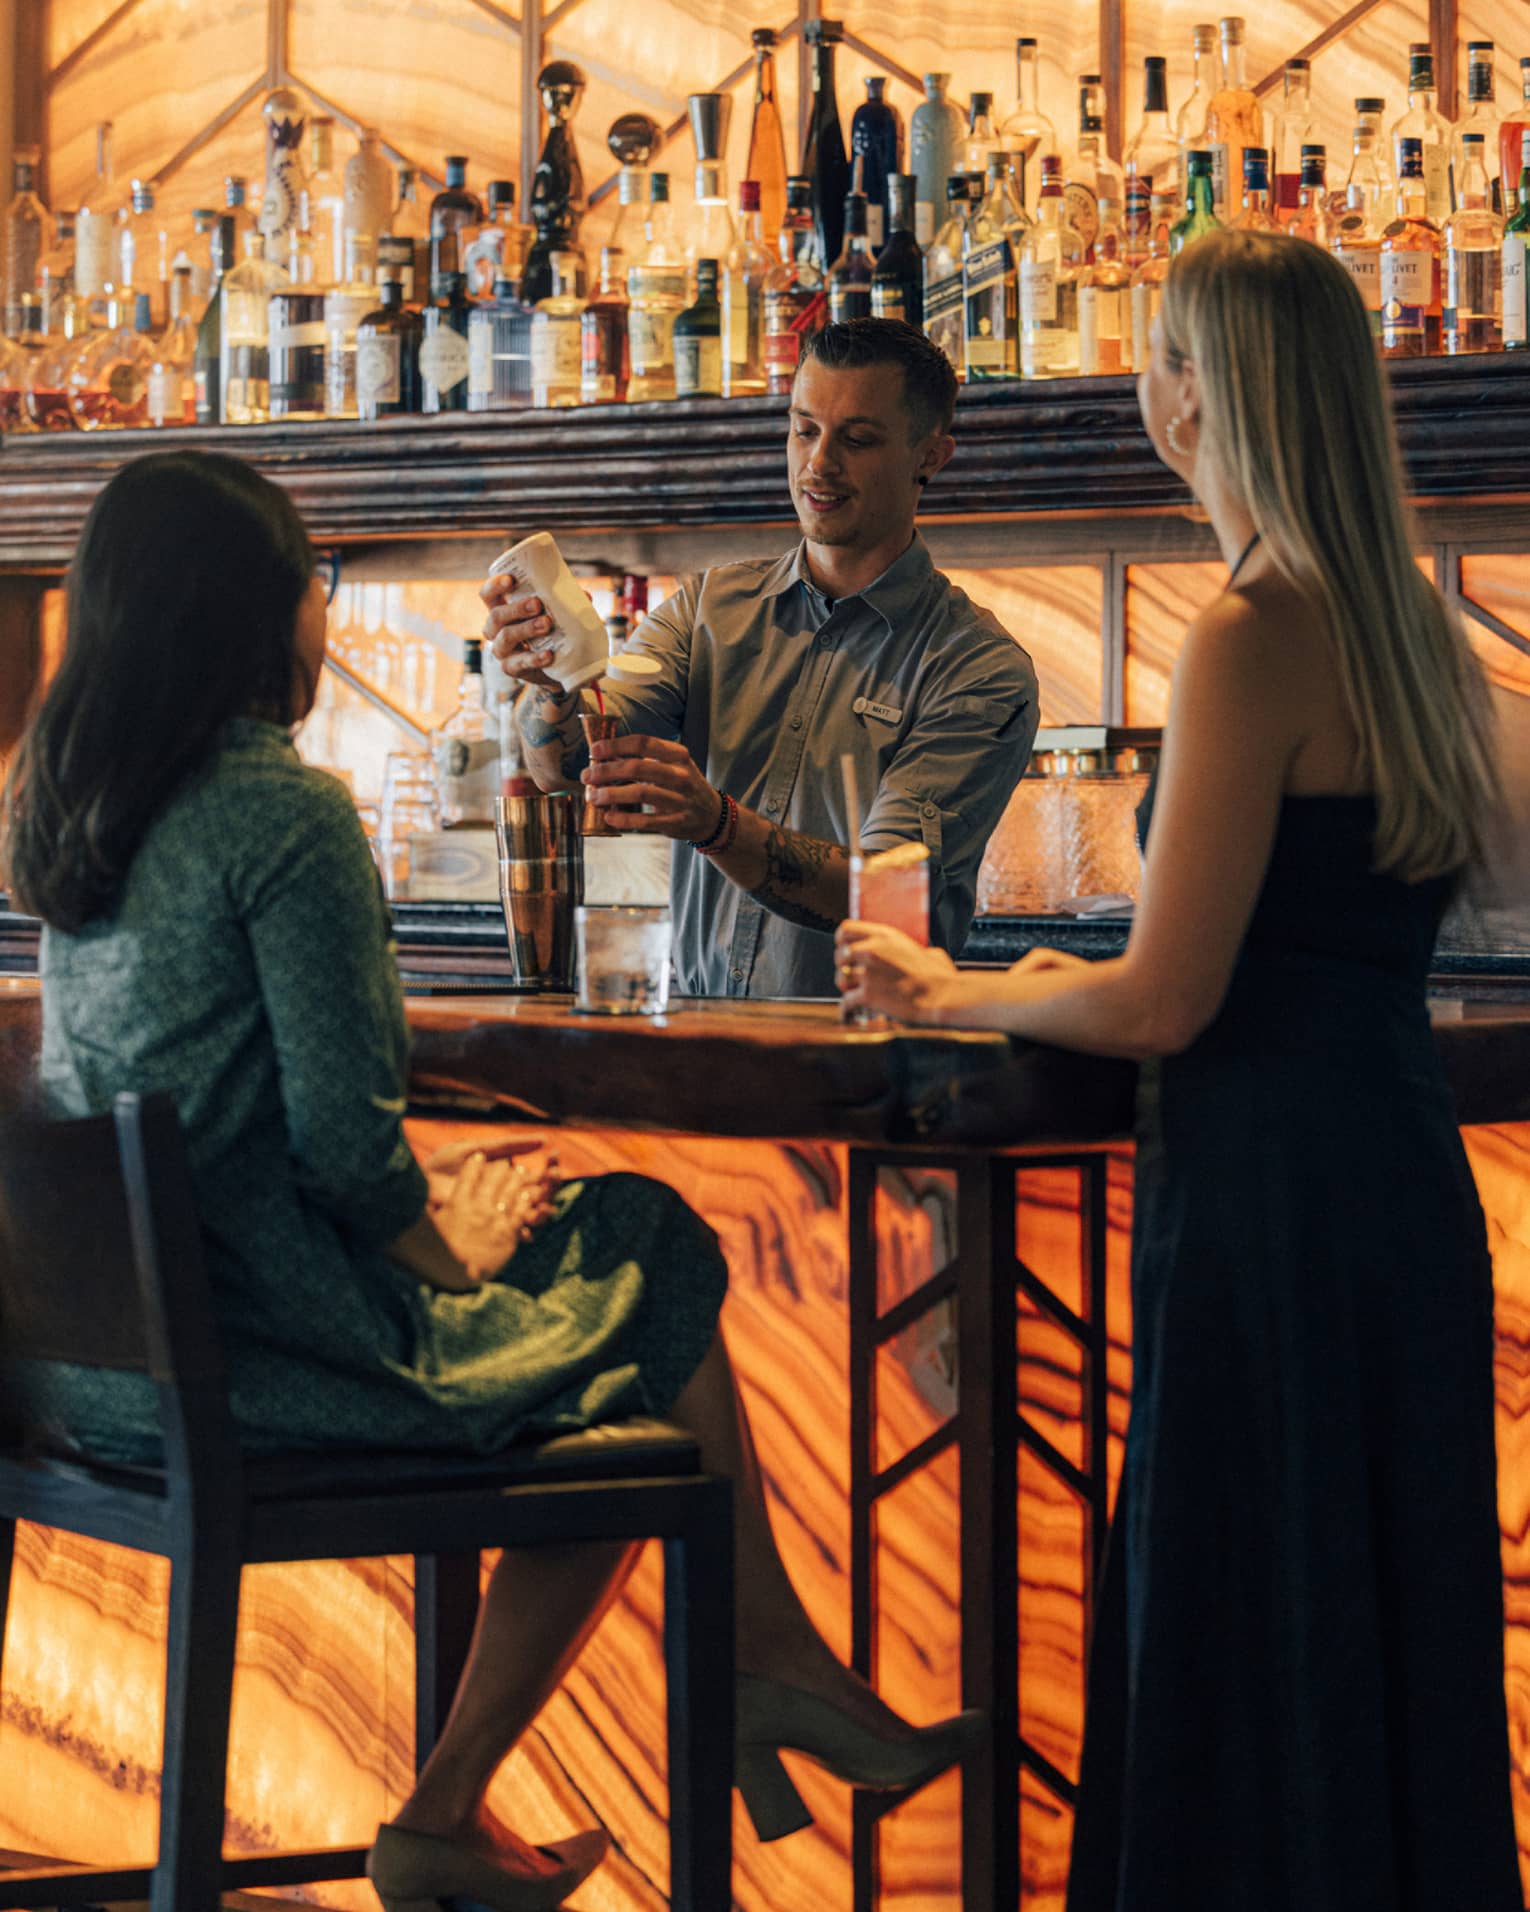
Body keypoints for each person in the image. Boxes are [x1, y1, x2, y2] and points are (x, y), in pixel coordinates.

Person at [2, 450, 980, 1912]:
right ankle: (641, 1722)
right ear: (263, 615)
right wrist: (448, 1245)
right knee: (649, 1271)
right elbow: (345, 1148)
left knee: (624, 1275)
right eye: (311, 586)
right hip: (269, 1358)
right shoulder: (282, 815)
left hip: (89, 1386)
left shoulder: (74, 815)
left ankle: (617, 1740)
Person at [838, 231, 1521, 1909]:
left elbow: (1165, 996)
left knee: (1241, 1627)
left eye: (1160, 351)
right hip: (1403, 1187)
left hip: (1269, 1206)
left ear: (1195, 394)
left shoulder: (1248, 630)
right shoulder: (1426, 638)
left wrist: (961, 986)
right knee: (1384, 1632)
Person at [482, 318, 1039, 998]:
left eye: (857, 439)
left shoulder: (976, 666)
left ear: (930, 455)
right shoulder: (707, 609)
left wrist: (717, 824)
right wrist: (552, 684)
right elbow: (566, 766)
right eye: (804, 429)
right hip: (701, 1039)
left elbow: (892, 894)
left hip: (860, 1061)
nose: (819, 464)